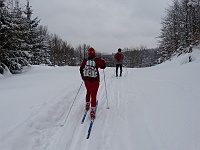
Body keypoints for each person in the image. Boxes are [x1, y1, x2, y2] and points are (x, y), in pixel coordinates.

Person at [80, 47, 106, 119]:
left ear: (88, 53)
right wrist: (103, 61)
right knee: (93, 95)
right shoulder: (97, 60)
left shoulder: (85, 60)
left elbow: (81, 68)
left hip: (86, 80)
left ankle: (87, 105)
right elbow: (103, 67)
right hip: (95, 80)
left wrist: (83, 77)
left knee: (88, 92)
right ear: (94, 53)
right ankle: (92, 110)